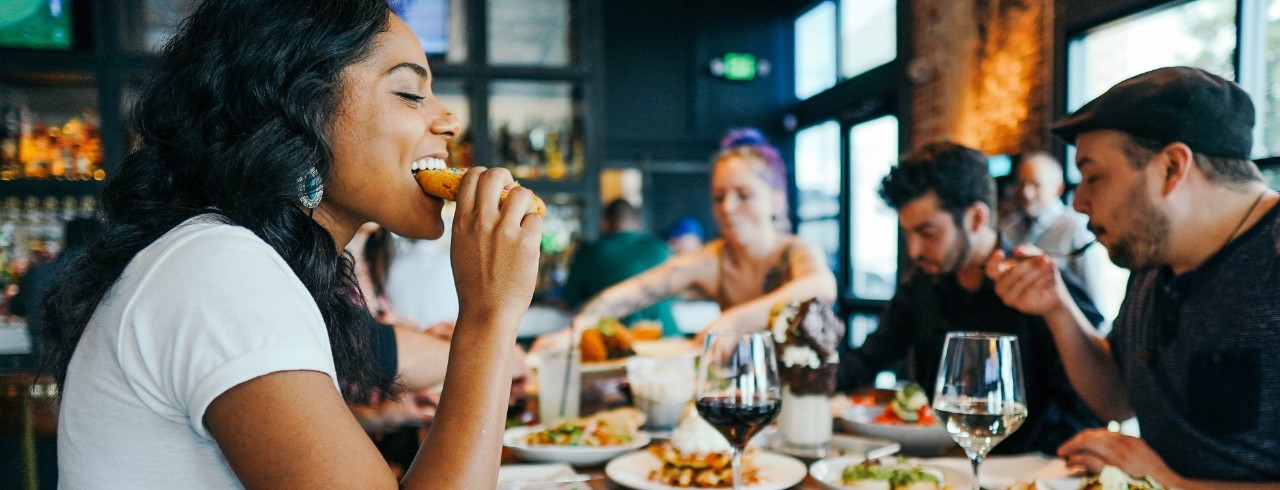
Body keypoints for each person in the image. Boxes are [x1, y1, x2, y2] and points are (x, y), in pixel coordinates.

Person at [39, 2, 542, 488]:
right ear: (299, 111)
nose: (450, 121)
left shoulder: (253, 263)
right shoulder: (219, 271)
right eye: (410, 93)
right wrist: (489, 315)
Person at [988, 66, 1280, 487]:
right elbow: (1117, 398)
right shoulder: (1154, 260)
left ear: (1171, 167)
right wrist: (1056, 305)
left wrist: (1171, 483)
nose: (1081, 202)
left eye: (1094, 177)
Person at [836, 141, 1105, 455]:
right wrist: (804, 374)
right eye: (908, 234)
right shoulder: (921, 287)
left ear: (976, 218)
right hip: (940, 467)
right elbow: (866, 361)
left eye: (928, 233)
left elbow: (1091, 407)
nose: (913, 251)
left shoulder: (1040, 286)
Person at [532, 128, 836, 352]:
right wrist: (575, 330)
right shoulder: (712, 260)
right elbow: (635, 291)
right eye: (719, 197)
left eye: (743, 195)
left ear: (777, 201)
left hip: (807, 402)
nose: (727, 207)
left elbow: (821, 287)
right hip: (745, 397)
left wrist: (731, 322)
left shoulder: (796, 251)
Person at [1000, 152, 1107, 309]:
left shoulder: (1075, 227)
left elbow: (1093, 297)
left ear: (1058, 189)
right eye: (1022, 184)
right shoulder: (1009, 227)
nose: (1026, 193)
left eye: (1036, 185)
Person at [561, 198, 677, 335]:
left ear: (605, 222)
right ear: (637, 223)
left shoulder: (589, 252)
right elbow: (673, 295)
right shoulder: (661, 248)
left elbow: (568, 301)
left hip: (615, 340)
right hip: (666, 337)